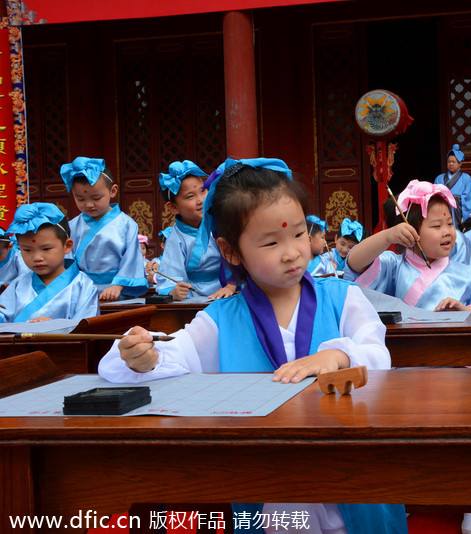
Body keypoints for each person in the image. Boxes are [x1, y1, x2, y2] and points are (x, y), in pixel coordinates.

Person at [98, 158, 406, 534]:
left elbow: (378, 354)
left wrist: (338, 355)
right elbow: (163, 356)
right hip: (265, 485)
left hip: (350, 479)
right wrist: (139, 355)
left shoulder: (344, 299)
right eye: (271, 242)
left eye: (297, 234)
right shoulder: (220, 321)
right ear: (230, 251)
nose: (292, 251)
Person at [343, 179, 471, 312]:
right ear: (411, 230)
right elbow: (354, 263)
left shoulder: (468, 274)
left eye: (450, 224)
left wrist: (468, 310)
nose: (447, 232)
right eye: (437, 226)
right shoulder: (394, 267)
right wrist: (387, 236)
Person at [61, 157, 148, 301]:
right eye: (80, 199)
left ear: (113, 191)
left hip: (116, 290)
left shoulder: (126, 224)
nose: (89, 204)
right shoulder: (72, 226)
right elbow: (66, 259)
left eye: (96, 198)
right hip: (81, 289)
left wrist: (118, 285)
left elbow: (131, 257)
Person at [0, 203, 98, 322]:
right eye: (27, 250)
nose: (37, 257)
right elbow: (3, 316)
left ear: (67, 246)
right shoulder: (18, 284)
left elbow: (86, 327)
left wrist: (53, 327)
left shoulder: (83, 285)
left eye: (46, 249)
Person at [156, 160, 237, 301]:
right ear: (173, 207)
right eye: (190, 196)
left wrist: (231, 284)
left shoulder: (221, 223)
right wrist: (175, 291)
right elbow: (171, 273)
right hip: (194, 295)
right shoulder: (176, 238)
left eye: (203, 191)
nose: (200, 200)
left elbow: (238, 254)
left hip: (230, 287)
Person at [434, 144, 471, 231]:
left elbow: (468, 199)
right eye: (449, 162)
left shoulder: (467, 179)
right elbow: (434, 196)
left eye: (454, 162)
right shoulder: (439, 178)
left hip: (458, 215)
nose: (451, 164)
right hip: (442, 211)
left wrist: (453, 199)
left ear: (460, 163)